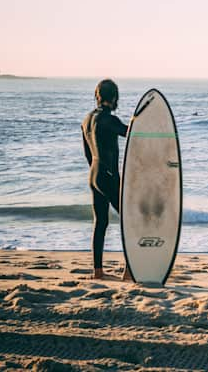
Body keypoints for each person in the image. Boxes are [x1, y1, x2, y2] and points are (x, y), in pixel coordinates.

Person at [81, 79, 131, 280]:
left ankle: (98, 271)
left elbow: (87, 153)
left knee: (100, 223)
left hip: (93, 175)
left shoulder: (87, 120)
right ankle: (129, 271)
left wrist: (98, 174)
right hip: (108, 176)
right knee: (130, 221)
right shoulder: (109, 120)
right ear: (114, 98)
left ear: (98, 96)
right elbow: (133, 134)